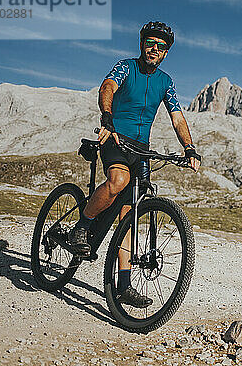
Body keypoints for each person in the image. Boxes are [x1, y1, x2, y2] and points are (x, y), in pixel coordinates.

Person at [68, 21, 201, 308]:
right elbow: (108, 87)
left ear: (166, 52)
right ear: (142, 44)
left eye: (161, 46)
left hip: (141, 149)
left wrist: (189, 147)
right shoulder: (126, 67)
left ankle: (124, 285)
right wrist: (107, 119)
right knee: (117, 181)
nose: (154, 49)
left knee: (129, 217)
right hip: (116, 138)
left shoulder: (166, 81)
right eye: (150, 43)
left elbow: (176, 117)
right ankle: (82, 225)